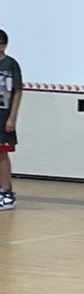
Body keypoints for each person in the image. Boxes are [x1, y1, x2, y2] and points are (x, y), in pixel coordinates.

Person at [0, 29, 23, 212]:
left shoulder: (11, 65)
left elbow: (17, 91)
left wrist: (12, 117)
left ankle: (7, 192)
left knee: (2, 154)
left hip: (3, 116)